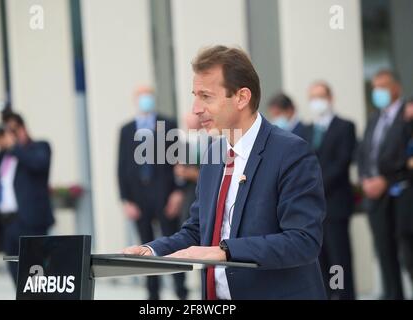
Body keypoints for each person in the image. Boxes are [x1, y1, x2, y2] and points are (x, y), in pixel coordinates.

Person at [122, 46, 327, 300]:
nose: (196, 109)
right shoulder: (213, 155)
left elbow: (303, 241)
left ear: (241, 97)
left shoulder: (291, 153)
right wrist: (152, 250)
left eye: (206, 97)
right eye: (195, 96)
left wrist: (224, 251)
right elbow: (198, 231)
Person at [117, 86, 188, 300]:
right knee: (144, 249)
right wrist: (126, 200)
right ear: (135, 99)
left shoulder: (168, 125)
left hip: (165, 196)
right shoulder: (127, 129)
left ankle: (180, 293)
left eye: (148, 95)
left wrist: (178, 192)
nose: (145, 99)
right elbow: (121, 166)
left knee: (173, 246)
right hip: (139, 198)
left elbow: (180, 161)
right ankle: (153, 296)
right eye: (141, 96)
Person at [0, 112, 53, 285]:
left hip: (31, 223)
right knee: (15, 271)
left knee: (36, 271)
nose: (8, 134)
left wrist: (15, 147)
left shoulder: (39, 147)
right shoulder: (3, 155)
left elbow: (39, 164)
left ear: (23, 129)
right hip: (7, 224)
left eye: (12, 129)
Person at [357, 70, 413, 300]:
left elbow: (406, 157)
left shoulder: (408, 115)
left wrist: (386, 180)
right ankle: (392, 295)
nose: (378, 92)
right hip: (375, 197)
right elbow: (363, 153)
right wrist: (365, 180)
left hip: (400, 194)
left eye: (383, 86)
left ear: (396, 88)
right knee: (384, 250)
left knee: (408, 251)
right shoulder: (374, 118)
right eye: (375, 87)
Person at [303, 81, 356, 300]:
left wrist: (315, 186)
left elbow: (341, 162)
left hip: (334, 204)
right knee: (319, 258)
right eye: (312, 97)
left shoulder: (345, 127)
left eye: (320, 96)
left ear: (330, 98)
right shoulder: (307, 130)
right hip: (312, 210)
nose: (317, 101)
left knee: (339, 258)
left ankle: (342, 295)